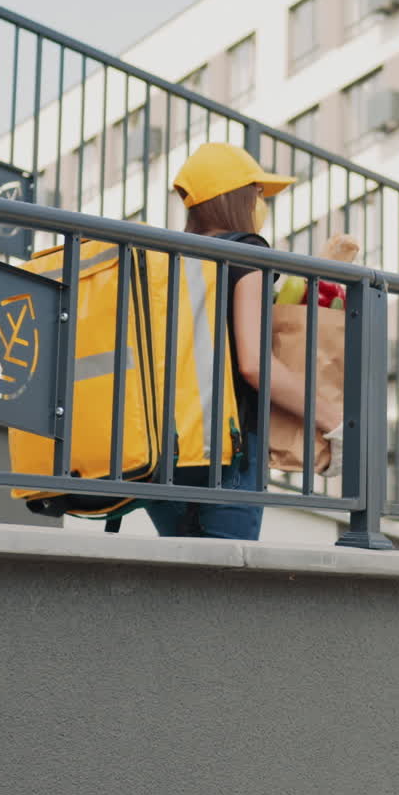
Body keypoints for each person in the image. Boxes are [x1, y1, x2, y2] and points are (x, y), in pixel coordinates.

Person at [144, 141, 343, 541]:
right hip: (226, 447)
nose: (260, 202)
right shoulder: (247, 252)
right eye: (257, 192)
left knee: (180, 570)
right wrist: (334, 422)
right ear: (235, 197)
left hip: (163, 445)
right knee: (226, 572)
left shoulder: (171, 259)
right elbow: (253, 364)